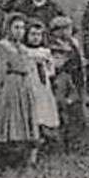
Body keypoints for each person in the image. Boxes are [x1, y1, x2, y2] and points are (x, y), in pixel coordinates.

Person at [0, 14, 40, 166]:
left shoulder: (23, 48)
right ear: (8, 29)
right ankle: (7, 156)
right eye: (16, 28)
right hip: (11, 84)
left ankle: (24, 156)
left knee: (27, 117)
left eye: (22, 28)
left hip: (25, 84)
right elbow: (1, 69)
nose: (20, 31)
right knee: (11, 118)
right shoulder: (4, 46)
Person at [47, 15, 87, 148]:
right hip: (61, 80)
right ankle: (60, 140)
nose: (65, 32)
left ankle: (75, 139)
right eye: (61, 29)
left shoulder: (74, 42)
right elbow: (56, 64)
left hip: (76, 79)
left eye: (68, 28)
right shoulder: (52, 45)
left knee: (76, 109)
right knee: (62, 108)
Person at [22, 20, 60, 153]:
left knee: (45, 111)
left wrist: (48, 71)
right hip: (30, 84)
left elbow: (51, 69)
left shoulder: (45, 51)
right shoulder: (24, 51)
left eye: (39, 35)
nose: (35, 37)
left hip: (43, 86)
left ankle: (45, 138)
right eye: (32, 34)